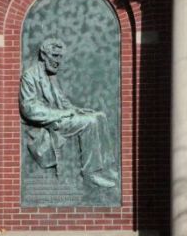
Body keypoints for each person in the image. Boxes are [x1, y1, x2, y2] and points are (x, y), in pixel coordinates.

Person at [19, 38, 116, 188]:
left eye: (60, 57)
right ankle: (91, 173)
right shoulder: (30, 76)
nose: (59, 61)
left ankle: (106, 166)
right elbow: (29, 110)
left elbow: (62, 102)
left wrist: (77, 110)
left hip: (59, 119)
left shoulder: (50, 77)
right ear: (44, 55)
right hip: (47, 124)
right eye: (55, 56)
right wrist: (62, 114)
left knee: (99, 116)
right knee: (89, 122)